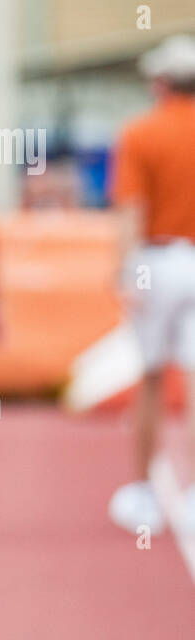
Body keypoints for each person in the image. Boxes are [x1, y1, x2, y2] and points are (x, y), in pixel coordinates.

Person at [108, 34, 195, 533]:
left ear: (158, 82)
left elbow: (132, 210)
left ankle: (143, 491)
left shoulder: (142, 133)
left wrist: (125, 271)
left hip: (159, 260)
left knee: (152, 378)